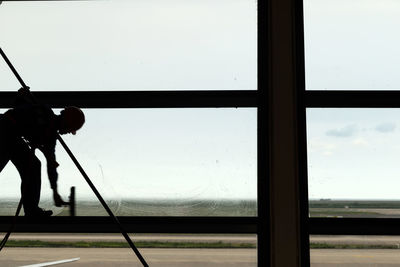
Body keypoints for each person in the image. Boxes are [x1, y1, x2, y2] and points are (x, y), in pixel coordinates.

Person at [0, 87, 85, 217]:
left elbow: (51, 164)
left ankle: (32, 210)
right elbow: (21, 107)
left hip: (10, 134)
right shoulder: (45, 117)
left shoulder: (48, 129)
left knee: (33, 165)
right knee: (32, 165)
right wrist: (22, 96)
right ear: (66, 122)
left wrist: (22, 95)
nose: (68, 132)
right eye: (70, 129)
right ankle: (31, 210)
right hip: (4, 131)